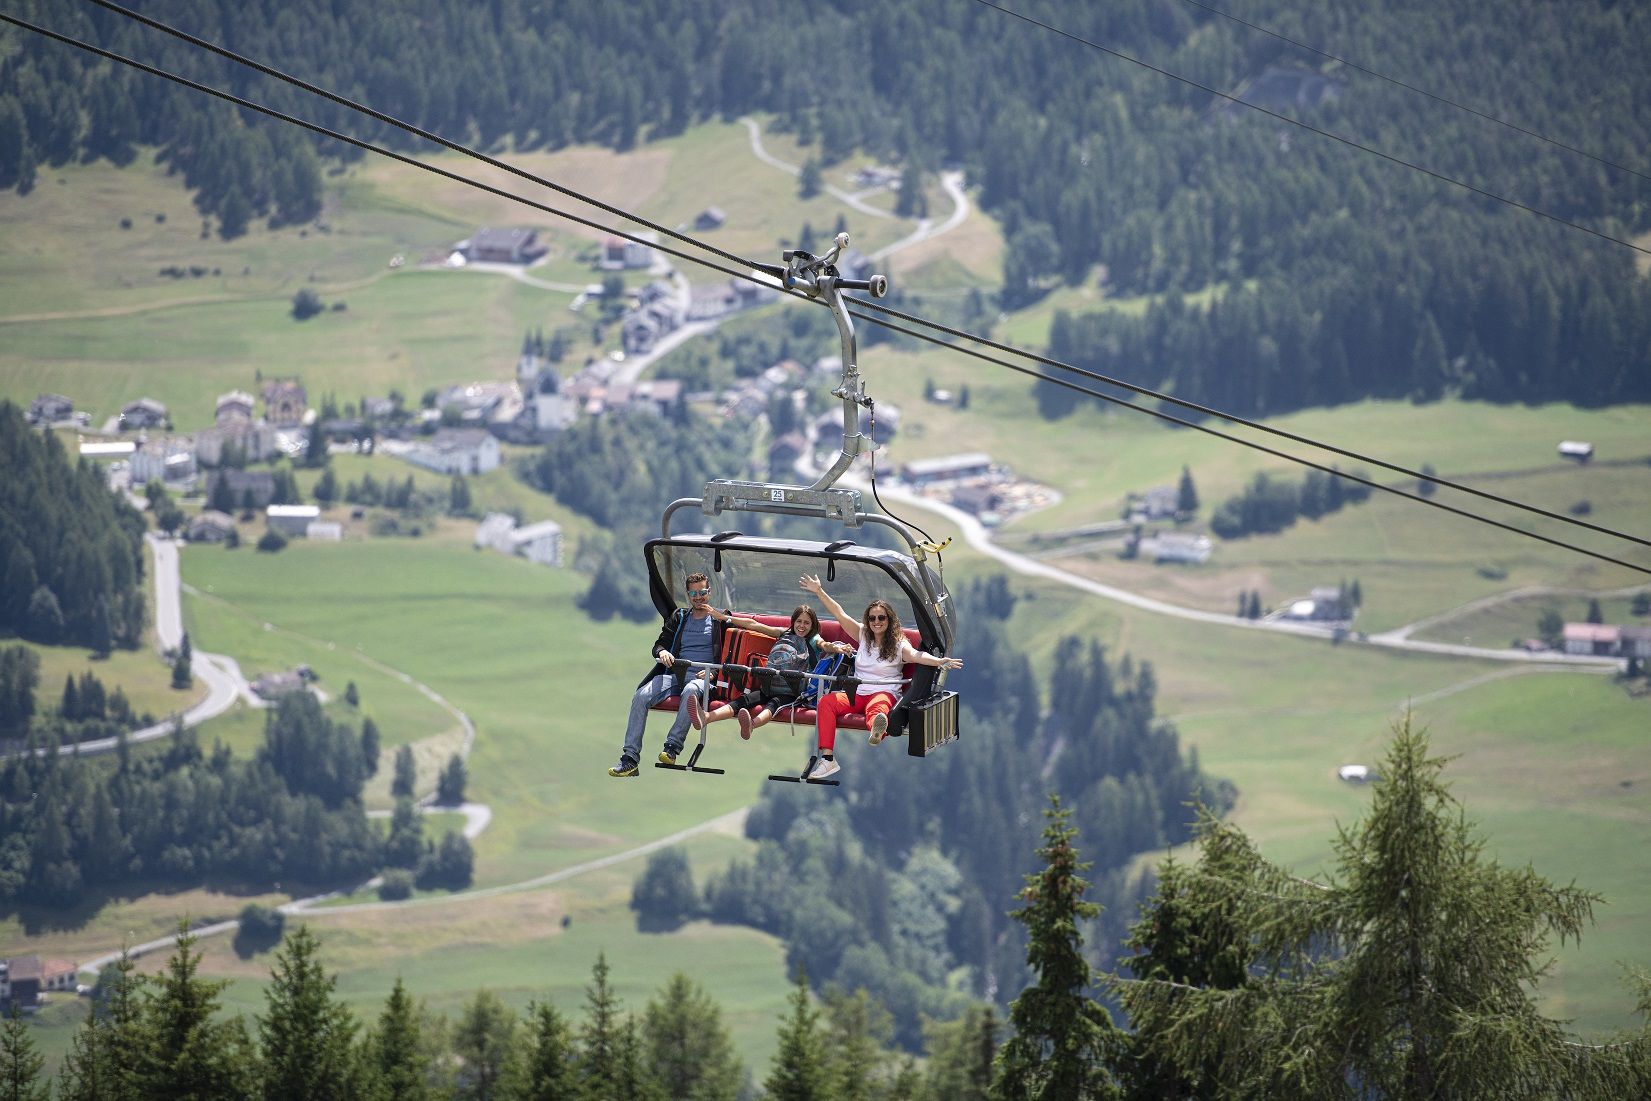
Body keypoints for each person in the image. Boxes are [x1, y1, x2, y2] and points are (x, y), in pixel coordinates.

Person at [799, 574, 962, 780]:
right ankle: (828, 760)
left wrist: (939, 661)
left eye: (881, 618)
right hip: (856, 692)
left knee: (878, 709)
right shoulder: (862, 635)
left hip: (883, 692)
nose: (876, 622)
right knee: (826, 703)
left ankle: (877, 728)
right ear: (868, 620)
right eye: (872, 618)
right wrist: (819, 591)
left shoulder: (898, 644)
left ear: (889, 620)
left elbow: (916, 656)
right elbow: (840, 614)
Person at [609, 571, 726, 778]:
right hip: (677, 674)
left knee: (691, 691)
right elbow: (660, 644)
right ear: (688, 595)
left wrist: (714, 673)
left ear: (710, 591)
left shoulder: (719, 620)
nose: (699, 597)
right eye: (694, 594)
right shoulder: (680, 617)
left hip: (703, 678)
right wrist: (662, 652)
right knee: (641, 696)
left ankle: (672, 747)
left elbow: (731, 654)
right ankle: (630, 758)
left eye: (703, 592)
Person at [695, 604, 852, 738]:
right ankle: (707, 716)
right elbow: (753, 625)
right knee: (745, 700)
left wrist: (838, 648)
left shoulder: (814, 639)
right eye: (799, 621)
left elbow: (826, 646)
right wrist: (723, 618)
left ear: (812, 626)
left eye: (807, 623)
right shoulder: (783, 633)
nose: (802, 626)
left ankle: (751, 725)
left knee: (774, 704)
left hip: (794, 690)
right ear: (793, 622)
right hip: (770, 683)